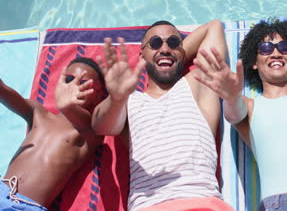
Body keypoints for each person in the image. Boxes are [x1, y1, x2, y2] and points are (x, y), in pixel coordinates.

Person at [193, 19, 287, 211]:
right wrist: (230, 96)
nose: (275, 53)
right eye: (265, 48)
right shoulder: (249, 106)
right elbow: (233, 114)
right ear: (254, 62)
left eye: (283, 47)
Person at [91, 20, 235, 211]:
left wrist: (173, 53)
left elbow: (214, 27)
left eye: (174, 42)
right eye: (155, 43)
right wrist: (116, 99)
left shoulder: (198, 85)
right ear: (141, 55)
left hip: (201, 202)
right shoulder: (127, 100)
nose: (165, 48)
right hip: (150, 206)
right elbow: (100, 126)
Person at [0, 57, 107, 210]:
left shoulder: (89, 130)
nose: (74, 86)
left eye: (83, 83)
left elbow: (69, 108)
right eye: (69, 79)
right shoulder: (38, 113)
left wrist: (65, 103)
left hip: (27, 206)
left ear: (97, 95)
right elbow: (4, 92)